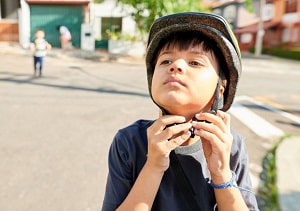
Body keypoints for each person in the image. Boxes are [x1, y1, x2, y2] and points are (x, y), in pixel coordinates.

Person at [102, 12, 259, 211]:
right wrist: (153, 166)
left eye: (195, 62)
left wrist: (221, 173)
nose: (176, 66)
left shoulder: (231, 146)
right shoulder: (129, 142)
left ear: (221, 88)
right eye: (166, 61)